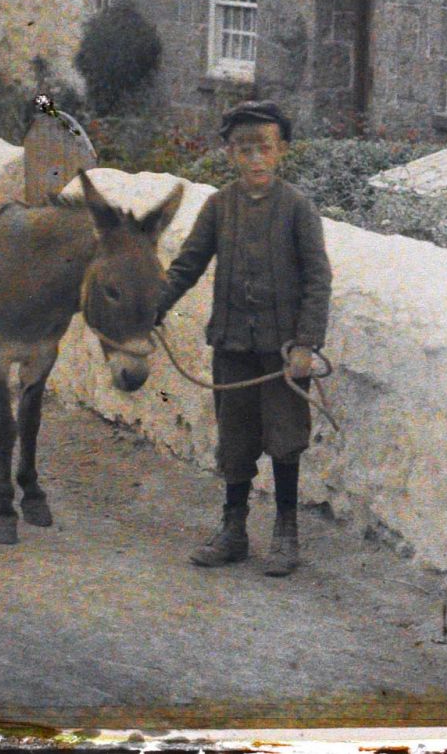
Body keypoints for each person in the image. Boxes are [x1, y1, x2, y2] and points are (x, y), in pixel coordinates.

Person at [156, 101, 332, 576]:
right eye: (244, 149)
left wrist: (305, 344)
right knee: (234, 441)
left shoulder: (297, 208)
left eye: (265, 149)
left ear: (281, 153)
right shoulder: (219, 207)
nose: (255, 159)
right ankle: (233, 530)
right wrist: (153, 306)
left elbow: (318, 279)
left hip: (281, 354)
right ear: (231, 154)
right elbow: (187, 265)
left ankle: (286, 534)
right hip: (232, 346)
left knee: (285, 439)